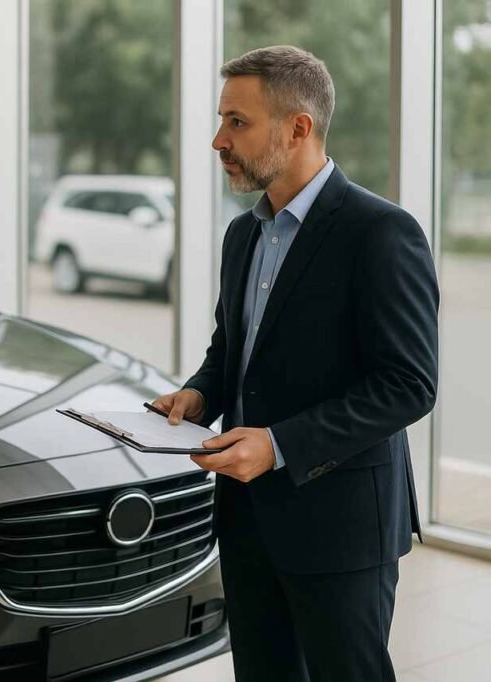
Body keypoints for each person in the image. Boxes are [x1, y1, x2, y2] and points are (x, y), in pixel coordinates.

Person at [153, 45, 438, 681]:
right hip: (248, 517)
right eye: (222, 120)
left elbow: (409, 384)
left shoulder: (381, 232)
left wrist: (279, 445)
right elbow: (233, 349)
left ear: (297, 127)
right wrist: (198, 396)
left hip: (340, 525)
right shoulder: (243, 234)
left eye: (237, 122)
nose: (217, 140)